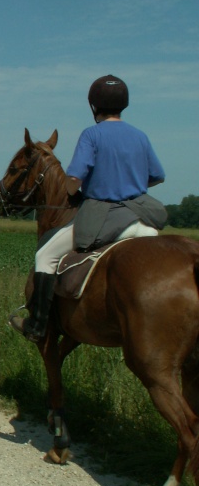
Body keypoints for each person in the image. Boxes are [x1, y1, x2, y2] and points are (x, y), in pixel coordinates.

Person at [9, 75, 167, 342]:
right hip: (140, 216)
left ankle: (37, 326)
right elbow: (157, 175)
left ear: (94, 106)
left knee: (46, 255)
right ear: (123, 104)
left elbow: (73, 180)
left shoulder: (91, 135)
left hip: (102, 215)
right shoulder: (140, 135)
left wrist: (74, 191)